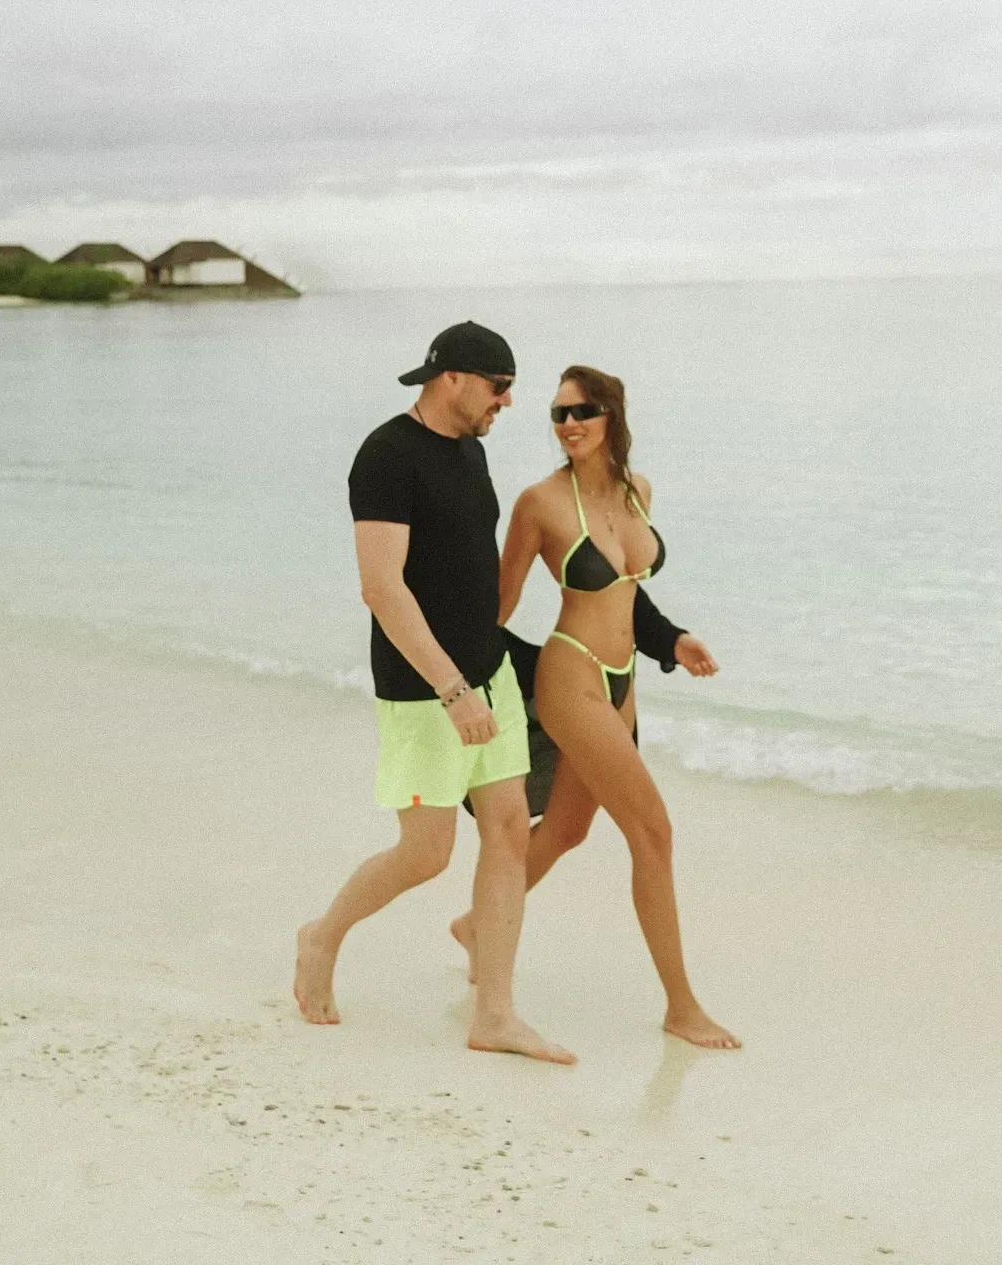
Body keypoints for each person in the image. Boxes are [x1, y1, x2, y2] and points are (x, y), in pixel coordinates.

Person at [293, 321, 574, 1065]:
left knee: (509, 831)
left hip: (489, 673)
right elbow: (382, 587)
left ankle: (496, 1015)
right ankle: (322, 937)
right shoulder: (386, 456)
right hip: (425, 689)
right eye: (498, 387)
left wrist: (498, 669)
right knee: (427, 854)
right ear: (451, 378)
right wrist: (452, 689)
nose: (507, 402)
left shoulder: (471, 451)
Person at [456, 363, 741, 1051]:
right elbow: (496, 606)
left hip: (624, 680)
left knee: (566, 829)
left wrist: (671, 640)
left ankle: (476, 926)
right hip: (571, 677)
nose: (568, 424)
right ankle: (681, 1007)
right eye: (558, 414)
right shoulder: (540, 503)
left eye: (581, 411)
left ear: (611, 415)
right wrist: (452, 686)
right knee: (653, 832)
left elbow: (627, 594)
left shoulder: (639, 491)